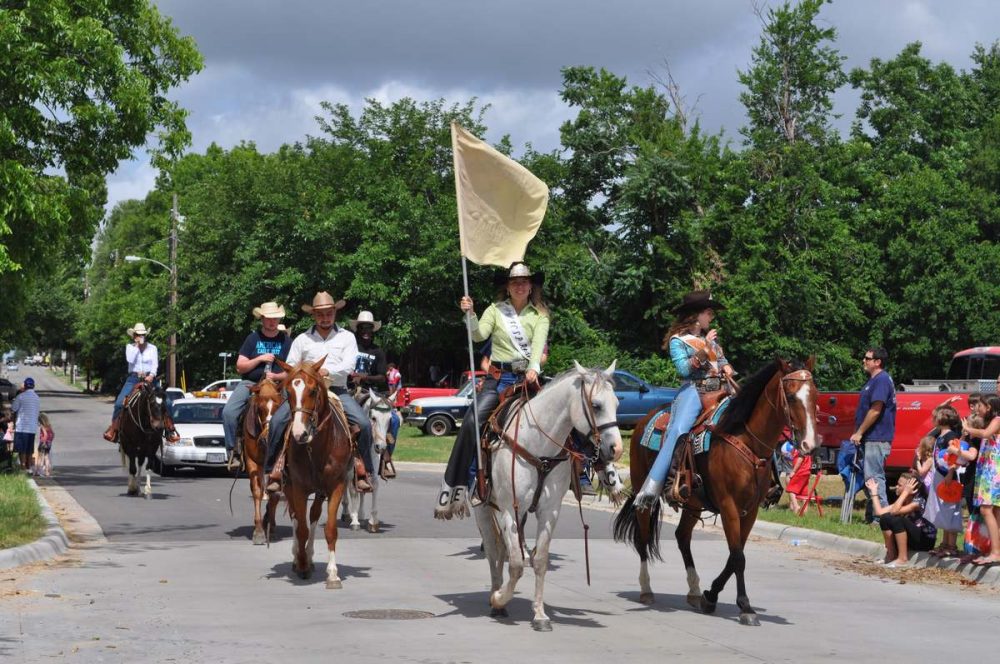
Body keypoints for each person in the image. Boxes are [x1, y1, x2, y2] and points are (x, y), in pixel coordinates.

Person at [435, 261, 550, 519]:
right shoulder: (495, 311)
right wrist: (470, 314)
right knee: (472, 421)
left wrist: (534, 369)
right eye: (515, 282)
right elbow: (478, 336)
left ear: (531, 286)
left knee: (565, 418)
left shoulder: (540, 316)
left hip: (526, 379)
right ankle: (461, 483)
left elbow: (538, 347)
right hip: (498, 380)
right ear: (508, 287)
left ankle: (584, 474)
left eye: (524, 281)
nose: (520, 286)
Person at [266, 291, 374, 492]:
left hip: (336, 390)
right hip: (305, 393)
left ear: (335, 313)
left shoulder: (347, 337)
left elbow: (350, 364)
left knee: (364, 424)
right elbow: (290, 366)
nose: (325, 318)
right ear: (314, 316)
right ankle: (273, 469)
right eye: (320, 314)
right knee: (276, 422)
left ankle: (364, 471)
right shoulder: (302, 339)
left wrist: (327, 371)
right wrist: (307, 375)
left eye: (329, 313)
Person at [634, 290, 732, 510]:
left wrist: (727, 367)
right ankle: (662, 484)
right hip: (694, 391)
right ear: (697, 315)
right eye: (709, 312)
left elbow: (724, 362)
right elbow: (683, 369)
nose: (711, 317)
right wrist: (705, 348)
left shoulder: (712, 342)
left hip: (721, 389)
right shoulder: (678, 341)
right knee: (678, 429)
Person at [221, 301, 291, 462]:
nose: (272, 322)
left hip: (278, 385)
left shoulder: (286, 341)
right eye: (268, 318)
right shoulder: (252, 339)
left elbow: (292, 371)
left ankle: (294, 448)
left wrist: (275, 376)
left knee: (297, 410)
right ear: (262, 319)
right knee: (228, 413)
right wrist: (259, 358)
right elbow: (240, 367)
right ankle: (233, 450)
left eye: (275, 319)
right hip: (251, 384)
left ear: (279, 320)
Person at [103, 323, 176, 443]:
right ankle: (114, 430)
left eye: (142, 334)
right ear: (134, 336)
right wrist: (137, 346)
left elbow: (155, 364)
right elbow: (130, 360)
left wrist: (151, 375)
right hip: (134, 378)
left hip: (150, 378)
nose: (141, 336)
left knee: (167, 401)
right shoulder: (130, 347)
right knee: (119, 403)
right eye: (138, 334)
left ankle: (170, 430)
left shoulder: (152, 348)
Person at [851, 347, 896, 524]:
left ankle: (881, 518)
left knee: (875, 477)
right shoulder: (874, 380)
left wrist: (859, 432)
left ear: (877, 362)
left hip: (876, 437)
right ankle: (872, 517)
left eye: (867, 358)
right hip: (871, 438)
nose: (864, 361)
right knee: (870, 478)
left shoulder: (882, 380)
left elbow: (876, 410)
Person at [349, 310, 400, 461]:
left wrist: (364, 377)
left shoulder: (378, 351)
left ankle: (386, 455)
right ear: (357, 330)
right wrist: (353, 377)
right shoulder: (351, 347)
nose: (366, 332)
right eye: (363, 328)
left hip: (375, 393)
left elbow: (382, 377)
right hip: (351, 390)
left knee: (395, 420)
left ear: (373, 331)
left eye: (369, 328)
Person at [866, 472, 936, 567]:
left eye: (900, 485)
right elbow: (879, 512)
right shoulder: (903, 501)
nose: (896, 487)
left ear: (911, 488)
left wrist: (906, 492)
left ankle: (902, 559)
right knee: (884, 518)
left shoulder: (918, 502)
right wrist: (874, 492)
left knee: (897, 519)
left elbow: (894, 512)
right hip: (913, 538)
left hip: (924, 541)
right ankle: (891, 556)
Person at [923, 405, 967, 557]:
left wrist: (951, 472)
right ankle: (944, 543)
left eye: (935, 417)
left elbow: (955, 457)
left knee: (949, 510)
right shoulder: (940, 435)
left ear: (942, 419)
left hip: (948, 477)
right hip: (939, 477)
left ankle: (952, 545)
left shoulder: (950, 436)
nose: (933, 419)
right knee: (942, 511)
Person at [963, 395, 1000, 566]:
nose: (978, 408)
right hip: (986, 469)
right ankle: (993, 549)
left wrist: (968, 428)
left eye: (981, 405)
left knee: (986, 510)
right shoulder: (987, 421)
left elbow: (985, 433)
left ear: (990, 407)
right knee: (994, 512)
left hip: (994, 471)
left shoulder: (997, 420)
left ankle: (995, 552)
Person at [11, 377, 40, 472]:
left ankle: (23, 467)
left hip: (22, 427)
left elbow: (13, 409)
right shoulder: (37, 398)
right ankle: (29, 467)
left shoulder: (21, 396)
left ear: (25, 386)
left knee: (21, 449)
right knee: (29, 449)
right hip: (32, 428)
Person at [35, 412, 54, 478]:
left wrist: (43, 441)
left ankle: (37, 471)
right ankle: (47, 472)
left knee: (39, 457)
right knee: (46, 457)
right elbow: (52, 434)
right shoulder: (49, 426)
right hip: (49, 443)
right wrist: (50, 441)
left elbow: (45, 434)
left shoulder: (42, 426)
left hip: (43, 442)